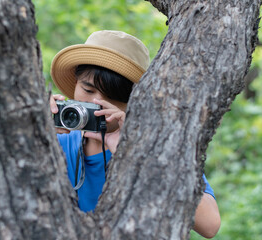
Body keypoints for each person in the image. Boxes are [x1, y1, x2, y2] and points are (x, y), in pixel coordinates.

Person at [49, 30, 220, 238]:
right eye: (88, 89)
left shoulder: (155, 145)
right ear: (75, 84)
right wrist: (32, 126)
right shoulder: (55, 143)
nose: (96, 103)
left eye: (113, 97)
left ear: (135, 100)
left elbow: (209, 224)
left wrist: (134, 152)